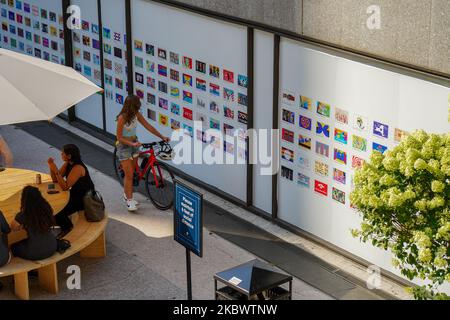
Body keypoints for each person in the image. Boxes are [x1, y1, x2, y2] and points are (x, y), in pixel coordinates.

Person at [116, 95, 169, 212]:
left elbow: (148, 127)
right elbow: (119, 137)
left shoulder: (136, 115)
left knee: (134, 172)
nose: (138, 109)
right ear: (131, 107)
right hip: (124, 146)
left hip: (134, 143)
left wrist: (162, 136)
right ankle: (129, 200)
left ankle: (127, 192)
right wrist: (132, 144)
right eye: (136, 106)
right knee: (129, 175)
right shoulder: (122, 118)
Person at [48, 144, 95, 238]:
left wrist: (55, 170)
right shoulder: (68, 163)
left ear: (69, 156)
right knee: (54, 206)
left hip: (83, 198)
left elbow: (65, 186)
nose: (61, 154)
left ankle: (67, 227)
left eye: (63, 153)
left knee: (58, 211)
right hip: (74, 193)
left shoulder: (78, 168)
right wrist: (51, 167)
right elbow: (56, 180)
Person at [10, 186, 57, 260]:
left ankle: (24, 269)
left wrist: (21, 225)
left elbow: (12, 227)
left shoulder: (23, 215)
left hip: (35, 252)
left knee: (13, 247)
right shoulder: (46, 208)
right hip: (53, 245)